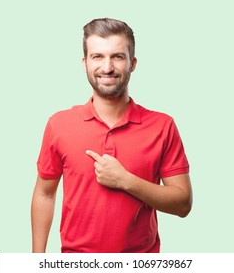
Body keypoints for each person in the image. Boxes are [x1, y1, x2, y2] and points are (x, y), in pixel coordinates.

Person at [31, 18, 193, 253]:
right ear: (85, 63)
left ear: (132, 63)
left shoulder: (162, 126)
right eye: (97, 57)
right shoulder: (59, 124)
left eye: (117, 56)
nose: (107, 67)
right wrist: (37, 262)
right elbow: (44, 194)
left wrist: (126, 181)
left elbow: (183, 204)